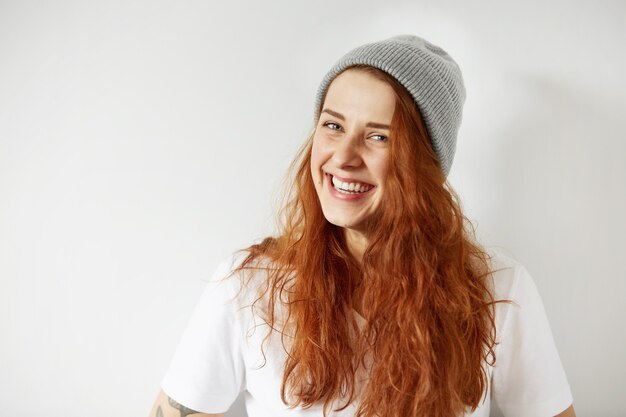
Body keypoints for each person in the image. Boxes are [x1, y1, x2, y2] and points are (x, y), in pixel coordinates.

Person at [148, 35, 576, 417]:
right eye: (333, 126)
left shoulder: (497, 288)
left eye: (378, 136)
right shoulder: (247, 286)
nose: (343, 156)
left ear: (426, 166)